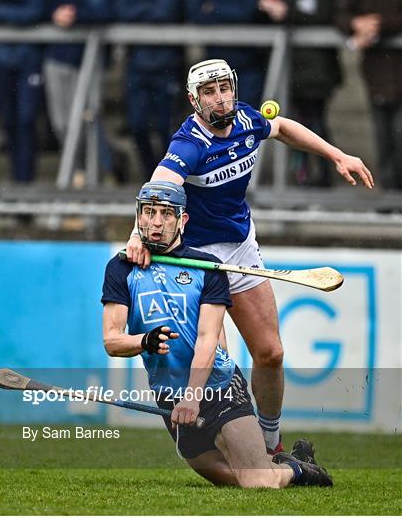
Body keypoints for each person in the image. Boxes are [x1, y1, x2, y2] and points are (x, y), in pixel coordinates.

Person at [126, 59, 374, 454]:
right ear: (194, 100)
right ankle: (228, 446)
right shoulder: (188, 144)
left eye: (225, 89)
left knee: (271, 353)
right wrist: (138, 235)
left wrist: (337, 155)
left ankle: (271, 442)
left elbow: (283, 127)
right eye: (210, 92)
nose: (221, 99)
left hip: (240, 248)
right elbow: (159, 186)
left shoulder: (245, 120)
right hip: (196, 261)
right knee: (216, 360)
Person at [102, 180, 333, 488]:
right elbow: (112, 340)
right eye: (149, 212)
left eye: (167, 214)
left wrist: (194, 397)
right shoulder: (121, 269)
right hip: (169, 396)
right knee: (233, 478)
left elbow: (208, 338)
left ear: (183, 220)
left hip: (217, 386)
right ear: (138, 217)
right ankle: (281, 462)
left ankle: (300, 470)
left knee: (257, 482)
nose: (156, 222)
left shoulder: (208, 267)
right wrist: (145, 340)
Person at [258, 0, 342, 187]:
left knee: (315, 123)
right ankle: (301, 179)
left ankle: (324, 178)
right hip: (289, 67)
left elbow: (324, 14)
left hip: (316, 69)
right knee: (293, 124)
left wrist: (288, 12)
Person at [44, 0, 115, 185]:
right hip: (58, 57)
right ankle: (80, 175)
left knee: (89, 120)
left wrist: (76, 16)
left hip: (90, 58)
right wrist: (54, 14)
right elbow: (42, 4)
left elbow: (111, 11)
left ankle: (104, 170)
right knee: (62, 124)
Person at [113, 0, 185, 179]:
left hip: (168, 63)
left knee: (167, 128)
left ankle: (171, 178)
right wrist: (152, 10)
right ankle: (151, 177)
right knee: (137, 126)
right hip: (137, 63)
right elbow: (122, 10)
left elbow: (169, 11)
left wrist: (141, 10)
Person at [336, 0, 402, 191]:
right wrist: (356, 24)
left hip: (393, 71)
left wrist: (377, 25)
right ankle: (389, 194)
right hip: (377, 74)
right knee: (384, 140)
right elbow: (340, 14)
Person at [0, 0, 50, 183]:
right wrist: (10, 13)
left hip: (28, 58)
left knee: (26, 120)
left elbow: (36, 12)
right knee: (9, 122)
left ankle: (25, 183)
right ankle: (17, 181)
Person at [186, 0, 267, 109]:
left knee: (248, 117)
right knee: (215, 119)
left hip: (249, 62)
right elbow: (194, 11)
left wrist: (213, 9)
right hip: (214, 63)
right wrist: (238, 10)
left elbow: (250, 12)